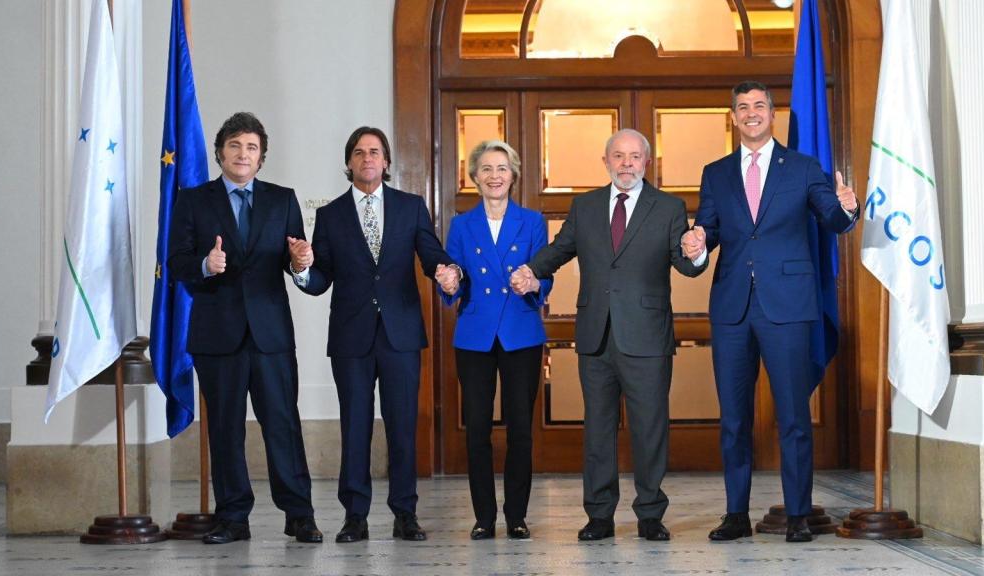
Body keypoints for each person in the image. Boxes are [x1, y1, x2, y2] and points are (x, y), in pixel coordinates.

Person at [511, 129, 707, 542]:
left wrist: (696, 251)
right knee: (597, 429)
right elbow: (560, 248)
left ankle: (650, 514)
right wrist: (532, 270)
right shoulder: (585, 206)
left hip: (648, 337)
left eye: (635, 157)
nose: (626, 164)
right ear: (606, 161)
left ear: (646, 163)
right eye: (618, 156)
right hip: (596, 336)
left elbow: (687, 266)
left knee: (650, 428)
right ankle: (599, 515)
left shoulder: (669, 207)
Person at [687, 81, 859, 543]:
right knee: (734, 419)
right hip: (732, 308)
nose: (751, 113)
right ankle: (736, 515)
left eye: (758, 106)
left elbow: (833, 218)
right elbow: (708, 230)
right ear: (734, 116)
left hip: (789, 306)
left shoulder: (802, 168)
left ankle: (799, 515)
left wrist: (848, 208)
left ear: (771, 114)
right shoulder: (716, 172)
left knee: (793, 415)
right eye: (742, 107)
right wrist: (698, 245)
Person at [291, 126, 458, 543]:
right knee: (355, 426)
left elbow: (430, 252)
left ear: (386, 163)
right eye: (360, 152)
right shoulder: (330, 215)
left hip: (400, 333)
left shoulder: (410, 206)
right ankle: (355, 516)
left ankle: (405, 513)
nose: (368, 158)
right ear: (349, 162)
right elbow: (320, 278)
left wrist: (446, 270)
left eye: (376, 152)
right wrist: (301, 267)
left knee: (403, 426)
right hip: (351, 338)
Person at [167, 112, 321, 544]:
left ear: (261, 157)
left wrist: (301, 262)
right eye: (235, 145)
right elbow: (175, 263)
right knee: (225, 428)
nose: (243, 154)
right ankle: (233, 517)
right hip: (218, 337)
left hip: (271, 335)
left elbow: (296, 259)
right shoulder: (194, 201)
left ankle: (299, 514)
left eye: (251, 147)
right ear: (220, 153)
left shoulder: (282, 199)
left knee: (282, 425)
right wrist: (204, 264)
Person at [436, 140, 551, 541]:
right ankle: (484, 516)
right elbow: (454, 275)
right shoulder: (461, 225)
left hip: (520, 333)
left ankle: (516, 515)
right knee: (478, 428)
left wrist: (536, 281)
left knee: (521, 428)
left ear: (513, 175)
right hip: (475, 334)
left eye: (502, 168)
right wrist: (450, 280)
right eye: (486, 169)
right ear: (475, 177)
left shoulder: (533, 221)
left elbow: (545, 270)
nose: (494, 175)